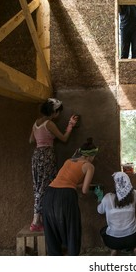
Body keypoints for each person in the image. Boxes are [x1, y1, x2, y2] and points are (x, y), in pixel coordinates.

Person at [29, 98, 78, 231]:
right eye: (58, 113)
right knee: (46, 186)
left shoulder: (36, 123)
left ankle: (39, 219)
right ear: (54, 112)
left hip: (36, 155)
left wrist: (41, 139)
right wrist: (70, 125)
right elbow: (64, 138)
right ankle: (35, 221)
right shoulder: (49, 123)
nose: (59, 115)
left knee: (38, 186)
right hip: (47, 156)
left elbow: (31, 140)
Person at [42, 138, 97, 255]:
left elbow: (65, 180)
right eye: (94, 156)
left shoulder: (68, 161)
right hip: (66, 196)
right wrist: (93, 186)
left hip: (49, 193)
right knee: (72, 229)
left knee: (52, 231)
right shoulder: (89, 166)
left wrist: (75, 184)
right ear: (90, 156)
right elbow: (84, 190)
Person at [98, 172, 136, 256]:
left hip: (113, 240)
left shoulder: (107, 197)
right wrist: (132, 190)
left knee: (102, 231)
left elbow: (100, 211)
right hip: (133, 238)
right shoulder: (134, 194)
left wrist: (100, 198)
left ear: (115, 184)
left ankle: (113, 249)